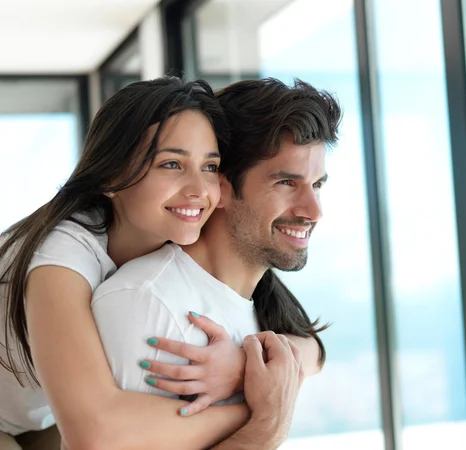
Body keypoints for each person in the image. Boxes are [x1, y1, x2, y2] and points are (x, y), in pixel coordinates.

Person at [0, 77, 322, 450]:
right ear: (111, 175)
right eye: (172, 164)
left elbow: (313, 348)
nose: (198, 190)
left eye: (210, 166)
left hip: (36, 411)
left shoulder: (181, 237)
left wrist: (240, 368)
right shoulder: (61, 258)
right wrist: (261, 406)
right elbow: (95, 433)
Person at [90, 78, 341, 449]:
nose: (313, 211)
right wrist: (268, 422)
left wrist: (245, 368)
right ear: (221, 186)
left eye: (317, 184)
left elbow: (314, 349)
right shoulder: (146, 305)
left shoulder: (261, 304)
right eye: (287, 182)